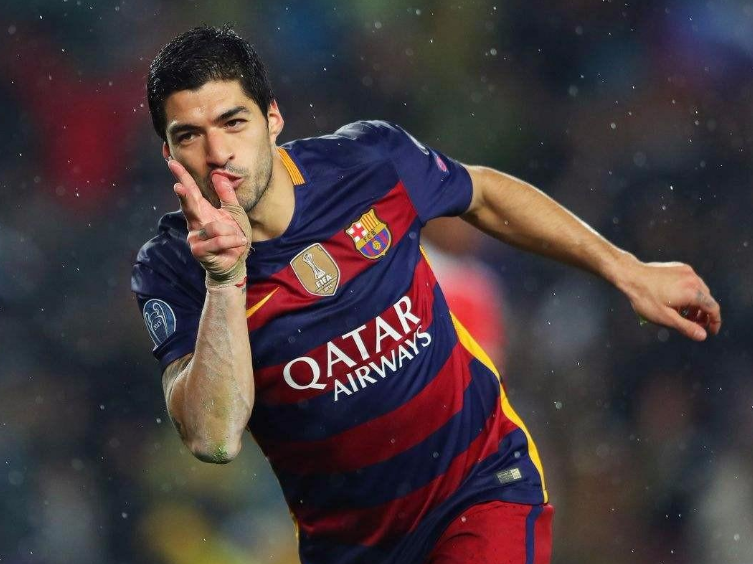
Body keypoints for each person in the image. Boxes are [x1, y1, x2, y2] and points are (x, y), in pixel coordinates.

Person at [131, 25, 722, 564]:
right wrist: (225, 280)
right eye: (190, 136)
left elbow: (481, 193)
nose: (218, 155)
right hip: (348, 548)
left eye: (233, 122)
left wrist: (627, 270)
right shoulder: (170, 269)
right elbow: (213, 438)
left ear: (272, 118)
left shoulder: (368, 163)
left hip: (480, 488)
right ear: (168, 153)